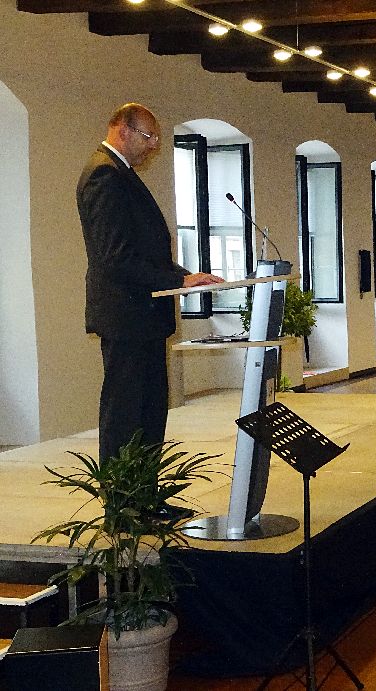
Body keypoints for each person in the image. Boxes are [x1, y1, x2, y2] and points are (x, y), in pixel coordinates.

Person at [78, 103, 223, 466]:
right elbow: (116, 257)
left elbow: (145, 250)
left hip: (142, 319)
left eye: (157, 137)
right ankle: (123, 496)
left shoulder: (121, 173)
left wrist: (186, 276)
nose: (153, 145)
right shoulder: (104, 175)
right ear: (122, 130)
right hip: (127, 318)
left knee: (149, 416)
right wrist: (177, 280)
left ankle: (144, 493)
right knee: (126, 418)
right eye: (148, 136)